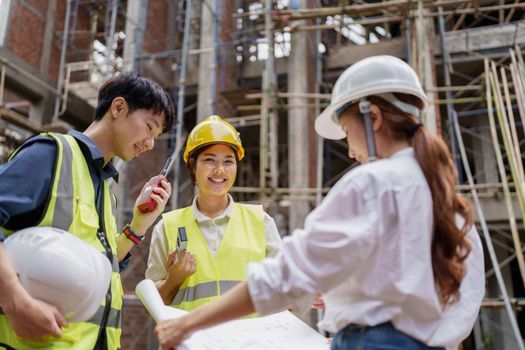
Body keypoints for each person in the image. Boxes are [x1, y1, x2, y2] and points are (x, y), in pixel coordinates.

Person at [155, 55, 485, 350]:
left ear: (374, 119)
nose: (350, 150)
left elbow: (285, 277)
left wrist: (186, 324)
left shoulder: (370, 184)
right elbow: (455, 297)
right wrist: (345, 300)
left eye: (346, 131)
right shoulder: (445, 196)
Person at [0, 71, 175, 349]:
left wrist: (140, 224)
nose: (150, 143)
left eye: (156, 136)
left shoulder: (106, 190)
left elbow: (97, 268)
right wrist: (14, 301)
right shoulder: (51, 154)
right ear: (118, 108)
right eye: (149, 127)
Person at [146, 115, 282, 310]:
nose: (220, 170)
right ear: (192, 166)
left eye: (228, 162)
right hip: (192, 340)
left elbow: (284, 288)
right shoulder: (167, 227)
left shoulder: (261, 222)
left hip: (248, 340)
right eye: (210, 160)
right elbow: (155, 305)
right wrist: (173, 280)